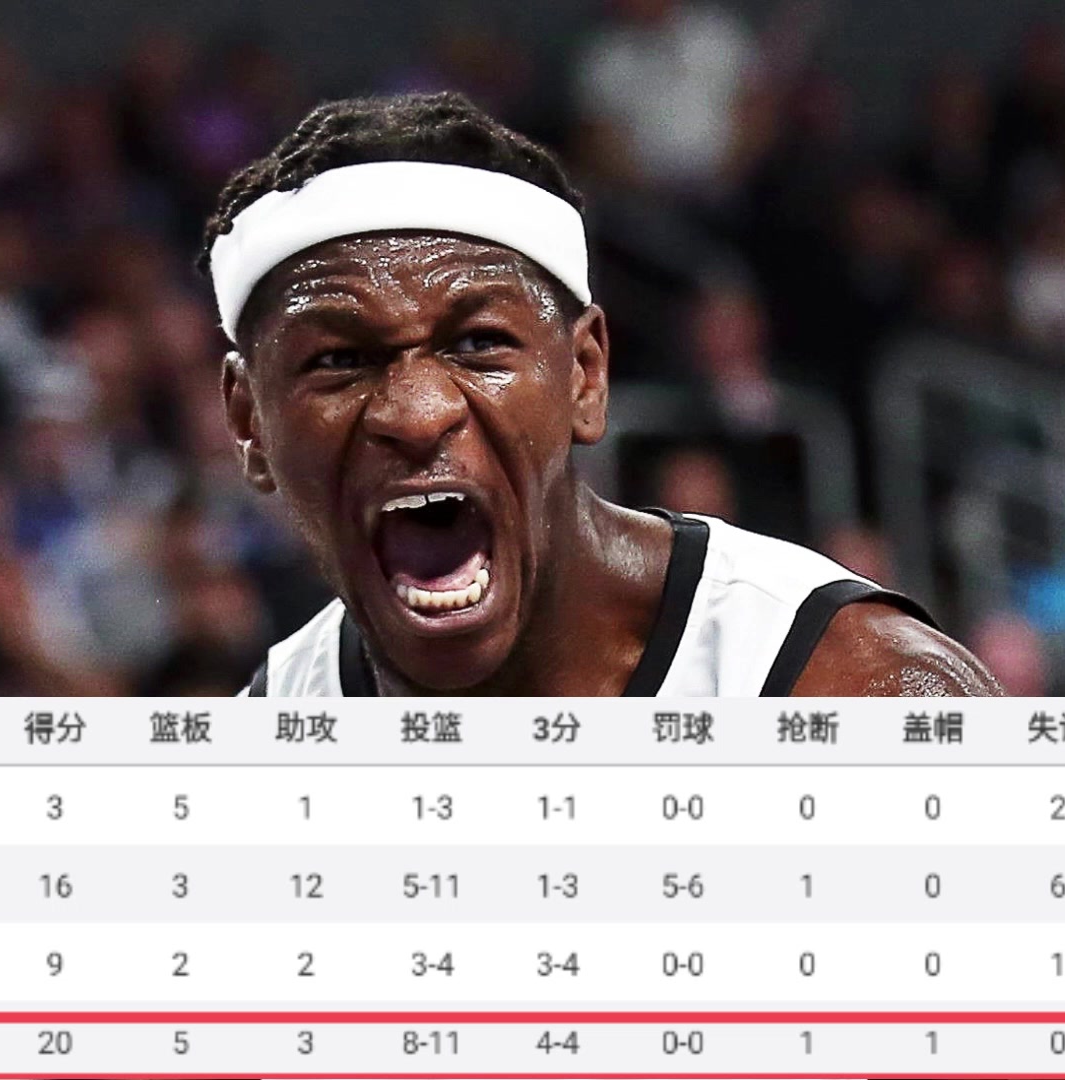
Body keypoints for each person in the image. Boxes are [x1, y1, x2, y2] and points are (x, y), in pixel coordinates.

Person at [199, 92, 1002, 698]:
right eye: (339, 359)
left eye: (478, 345)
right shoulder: (263, 742)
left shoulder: (856, 687)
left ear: (585, 374)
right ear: (248, 421)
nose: (416, 414)